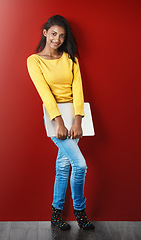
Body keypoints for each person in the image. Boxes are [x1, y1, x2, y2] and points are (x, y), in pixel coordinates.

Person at [26, 15, 95, 231]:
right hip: (54, 116)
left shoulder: (70, 59)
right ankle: (80, 211)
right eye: (54, 34)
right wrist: (59, 123)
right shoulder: (34, 61)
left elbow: (78, 90)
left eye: (62, 36)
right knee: (80, 165)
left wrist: (77, 121)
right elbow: (44, 93)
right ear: (45, 33)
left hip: (74, 116)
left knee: (63, 166)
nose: (57, 39)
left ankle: (55, 214)